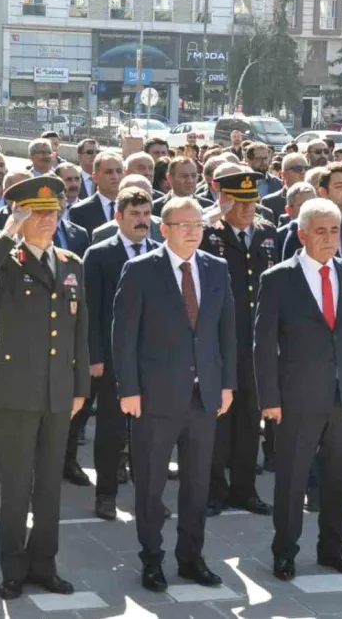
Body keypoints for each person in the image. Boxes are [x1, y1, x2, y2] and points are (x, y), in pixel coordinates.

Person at [0, 175, 88, 600]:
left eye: (53, 212)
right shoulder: (8, 260)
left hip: (58, 391)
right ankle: (13, 568)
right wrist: (8, 233)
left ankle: (45, 564)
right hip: (15, 390)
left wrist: (79, 388)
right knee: (16, 485)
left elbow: (79, 331)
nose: (48, 220)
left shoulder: (71, 262)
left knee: (49, 486)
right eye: (37, 213)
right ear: (20, 216)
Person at [113, 196, 236, 593]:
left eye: (199, 225)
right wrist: (128, 389)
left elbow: (227, 333)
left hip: (204, 398)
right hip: (154, 399)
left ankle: (191, 557)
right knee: (150, 485)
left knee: (197, 484)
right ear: (163, 229)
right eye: (185, 225)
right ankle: (152, 559)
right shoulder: (140, 270)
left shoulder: (216, 268)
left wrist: (228, 383)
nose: (194, 232)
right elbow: (123, 336)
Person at [255, 198, 342, 582]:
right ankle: (284, 551)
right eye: (320, 231)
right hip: (296, 398)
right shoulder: (278, 278)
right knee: (291, 477)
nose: (328, 239)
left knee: (339, 476)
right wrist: (269, 398)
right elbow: (264, 343)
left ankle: (332, 548)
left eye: (334, 230)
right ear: (302, 234)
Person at [200, 169, 276, 518]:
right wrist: (208, 218)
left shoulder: (266, 232)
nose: (248, 209)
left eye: (252, 202)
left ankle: (244, 489)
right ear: (224, 199)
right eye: (240, 203)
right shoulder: (207, 233)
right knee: (218, 417)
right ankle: (214, 488)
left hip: (256, 340)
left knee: (249, 418)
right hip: (218, 339)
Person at [83, 187, 158, 520]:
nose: (142, 222)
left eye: (146, 215)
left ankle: (148, 498)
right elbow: (91, 310)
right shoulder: (99, 254)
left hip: (155, 359)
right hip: (114, 358)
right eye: (135, 215)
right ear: (118, 217)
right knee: (112, 430)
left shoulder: (160, 252)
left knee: (151, 432)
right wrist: (94, 356)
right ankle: (106, 495)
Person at [70, 151, 123, 238]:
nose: (115, 176)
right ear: (95, 177)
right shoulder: (80, 211)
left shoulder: (132, 208)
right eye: (109, 172)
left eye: (119, 171)